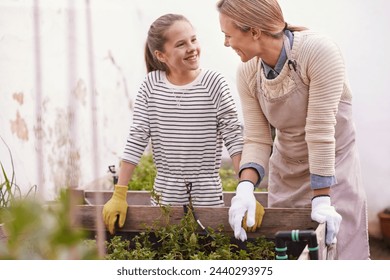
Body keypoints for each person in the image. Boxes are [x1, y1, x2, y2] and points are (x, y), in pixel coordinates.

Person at [216, 0, 370, 259]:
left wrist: (321, 198)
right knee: (290, 253)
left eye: (228, 35)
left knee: (340, 251)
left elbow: (320, 130)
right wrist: (245, 187)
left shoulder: (318, 52)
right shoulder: (247, 71)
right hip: (287, 172)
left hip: (332, 171)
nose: (226, 44)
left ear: (254, 31)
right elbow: (257, 138)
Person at [102, 13, 245, 235]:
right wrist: (120, 193)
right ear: (161, 55)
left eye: (194, 39)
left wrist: (246, 191)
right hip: (164, 196)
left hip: (208, 195)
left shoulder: (215, 84)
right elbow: (137, 137)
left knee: (208, 254)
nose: (192, 48)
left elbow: (234, 139)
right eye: (181, 44)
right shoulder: (151, 86)